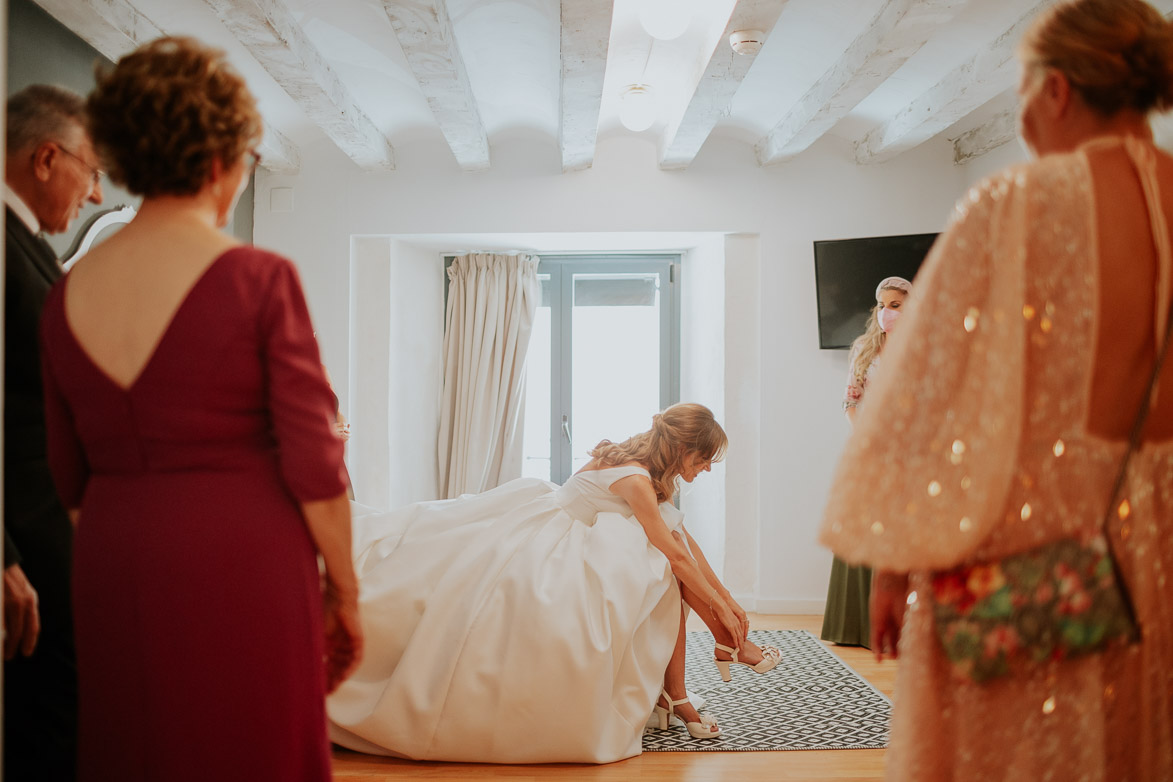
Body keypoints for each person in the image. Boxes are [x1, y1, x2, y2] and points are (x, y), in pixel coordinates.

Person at [820, 1, 1173, 779]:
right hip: (1156, 551)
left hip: (1026, 547)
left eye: (1018, 86)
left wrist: (889, 562)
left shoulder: (1014, 205)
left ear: (1054, 89)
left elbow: (919, 398)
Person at [37, 38, 361, 782]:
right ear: (221, 157)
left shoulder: (64, 299)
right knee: (249, 749)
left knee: (137, 747)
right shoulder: (257, 278)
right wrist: (344, 592)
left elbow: (69, 478)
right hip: (242, 560)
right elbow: (316, 464)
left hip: (113, 560)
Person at [328, 403, 779, 763]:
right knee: (663, 567)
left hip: (563, 524)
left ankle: (700, 671)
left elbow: (682, 541)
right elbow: (675, 552)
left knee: (666, 560)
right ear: (684, 450)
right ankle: (705, 668)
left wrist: (727, 601)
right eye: (704, 459)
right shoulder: (637, 480)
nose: (708, 468)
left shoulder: (635, 460)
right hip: (556, 540)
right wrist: (721, 607)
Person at [3, 83, 103, 781]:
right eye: (91, 172)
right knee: (49, 732)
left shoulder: (31, 249)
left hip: (57, 542)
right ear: (46, 158)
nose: (95, 195)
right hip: (27, 550)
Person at [821, 276, 910, 649]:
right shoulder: (863, 349)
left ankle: (904, 629)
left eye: (897, 305)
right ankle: (854, 626)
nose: (887, 312)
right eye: (883, 305)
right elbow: (850, 401)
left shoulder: (926, 346)